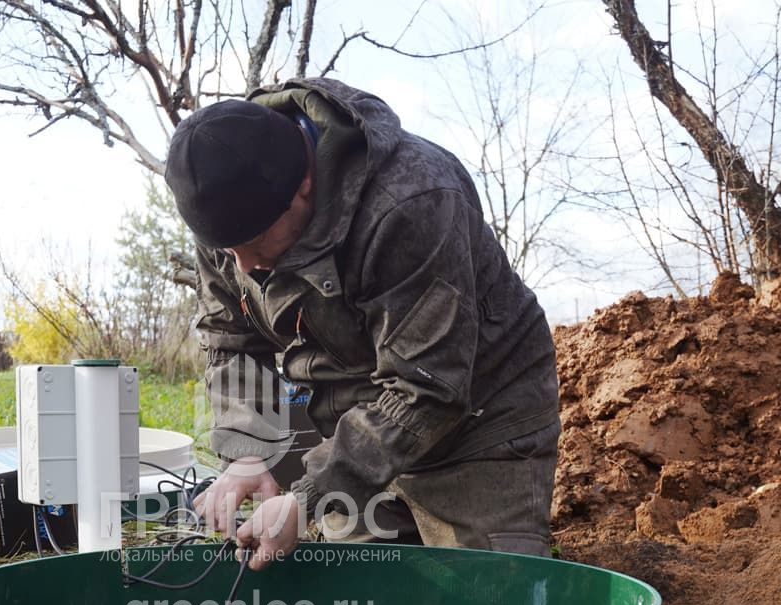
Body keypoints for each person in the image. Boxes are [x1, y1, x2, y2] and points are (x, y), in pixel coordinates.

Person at [165, 78, 559, 570]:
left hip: (480, 421)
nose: (243, 266)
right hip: (351, 426)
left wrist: (306, 498)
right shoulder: (229, 210)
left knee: (485, 598)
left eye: (257, 241)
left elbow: (427, 388)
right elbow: (231, 338)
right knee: (366, 597)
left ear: (302, 184)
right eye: (228, 250)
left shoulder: (410, 201)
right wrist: (248, 450)